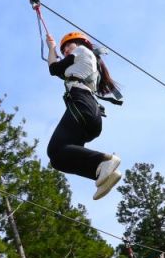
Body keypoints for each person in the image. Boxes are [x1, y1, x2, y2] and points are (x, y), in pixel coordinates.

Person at [45, 30, 122, 200]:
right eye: (63, 49)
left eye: (68, 47)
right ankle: (103, 173)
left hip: (82, 107)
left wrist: (52, 48)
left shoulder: (81, 51)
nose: (65, 51)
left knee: (54, 149)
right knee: (58, 159)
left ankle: (104, 161)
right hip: (89, 114)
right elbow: (56, 70)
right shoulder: (80, 65)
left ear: (80, 44)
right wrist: (52, 48)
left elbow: (53, 68)